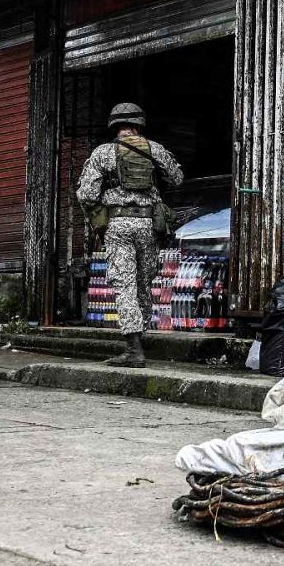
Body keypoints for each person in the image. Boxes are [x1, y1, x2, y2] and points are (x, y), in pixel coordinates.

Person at [76, 103, 184, 368]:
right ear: (139, 124)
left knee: (124, 284)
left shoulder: (103, 153)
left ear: (114, 126)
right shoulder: (155, 149)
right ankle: (140, 338)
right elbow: (177, 178)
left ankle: (134, 349)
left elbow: (87, 194)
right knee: (143, 283)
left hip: (118, 225)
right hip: (149, 224)